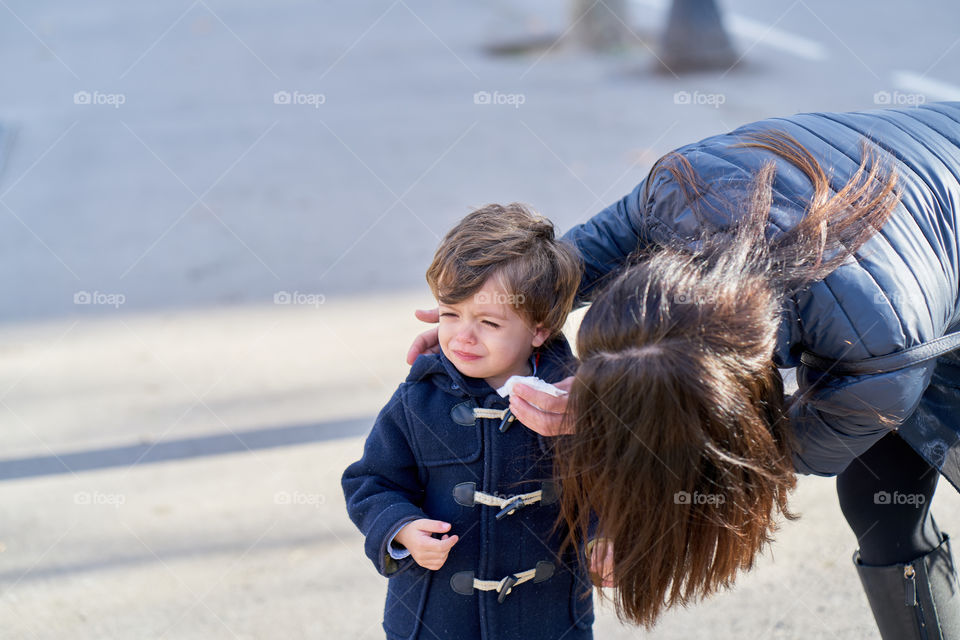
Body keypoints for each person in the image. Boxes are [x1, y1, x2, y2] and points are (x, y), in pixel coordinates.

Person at [406, 103, 960, 639]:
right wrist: (496, 314)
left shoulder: (880, 353)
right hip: (906, 232)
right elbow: (585, 256)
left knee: (884, 488)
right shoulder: (681, 186)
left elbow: (754, 463)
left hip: (906, 293)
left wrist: (618, 435)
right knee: (882, 508)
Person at [342, 203, 601, 640]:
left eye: (488, 322)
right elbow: (371, 481)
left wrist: (604, 538)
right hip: (435, 619)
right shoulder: (418, 399)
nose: (462, 336)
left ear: (538, 329)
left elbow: (605, 483)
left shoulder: (570, 402)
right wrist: (401, 528)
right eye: (450, 313)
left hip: (549, 619)